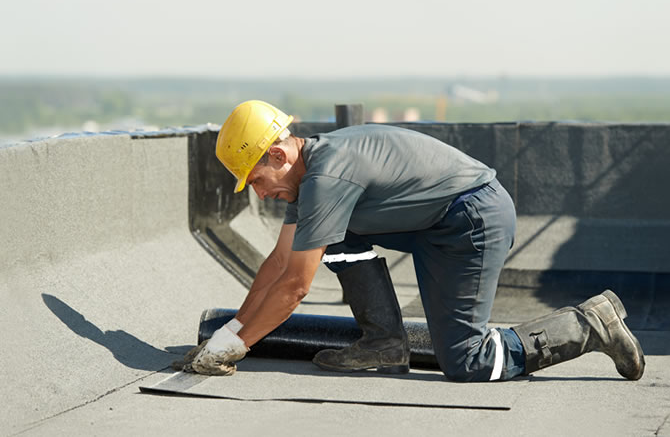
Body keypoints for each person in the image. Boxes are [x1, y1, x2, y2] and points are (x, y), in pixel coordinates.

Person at [189, 100, 645, 382]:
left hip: (471, 222)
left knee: (468, 361)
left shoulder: (326, 177)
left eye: (256, 179)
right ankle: (384, 342)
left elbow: (294, 287)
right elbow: (278, 264)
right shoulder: (309, 179)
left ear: (277, 153)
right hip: (438, 223)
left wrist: (235, 347)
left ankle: (588, 325)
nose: (260, 192)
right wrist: (229, 332)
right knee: (332, 234)